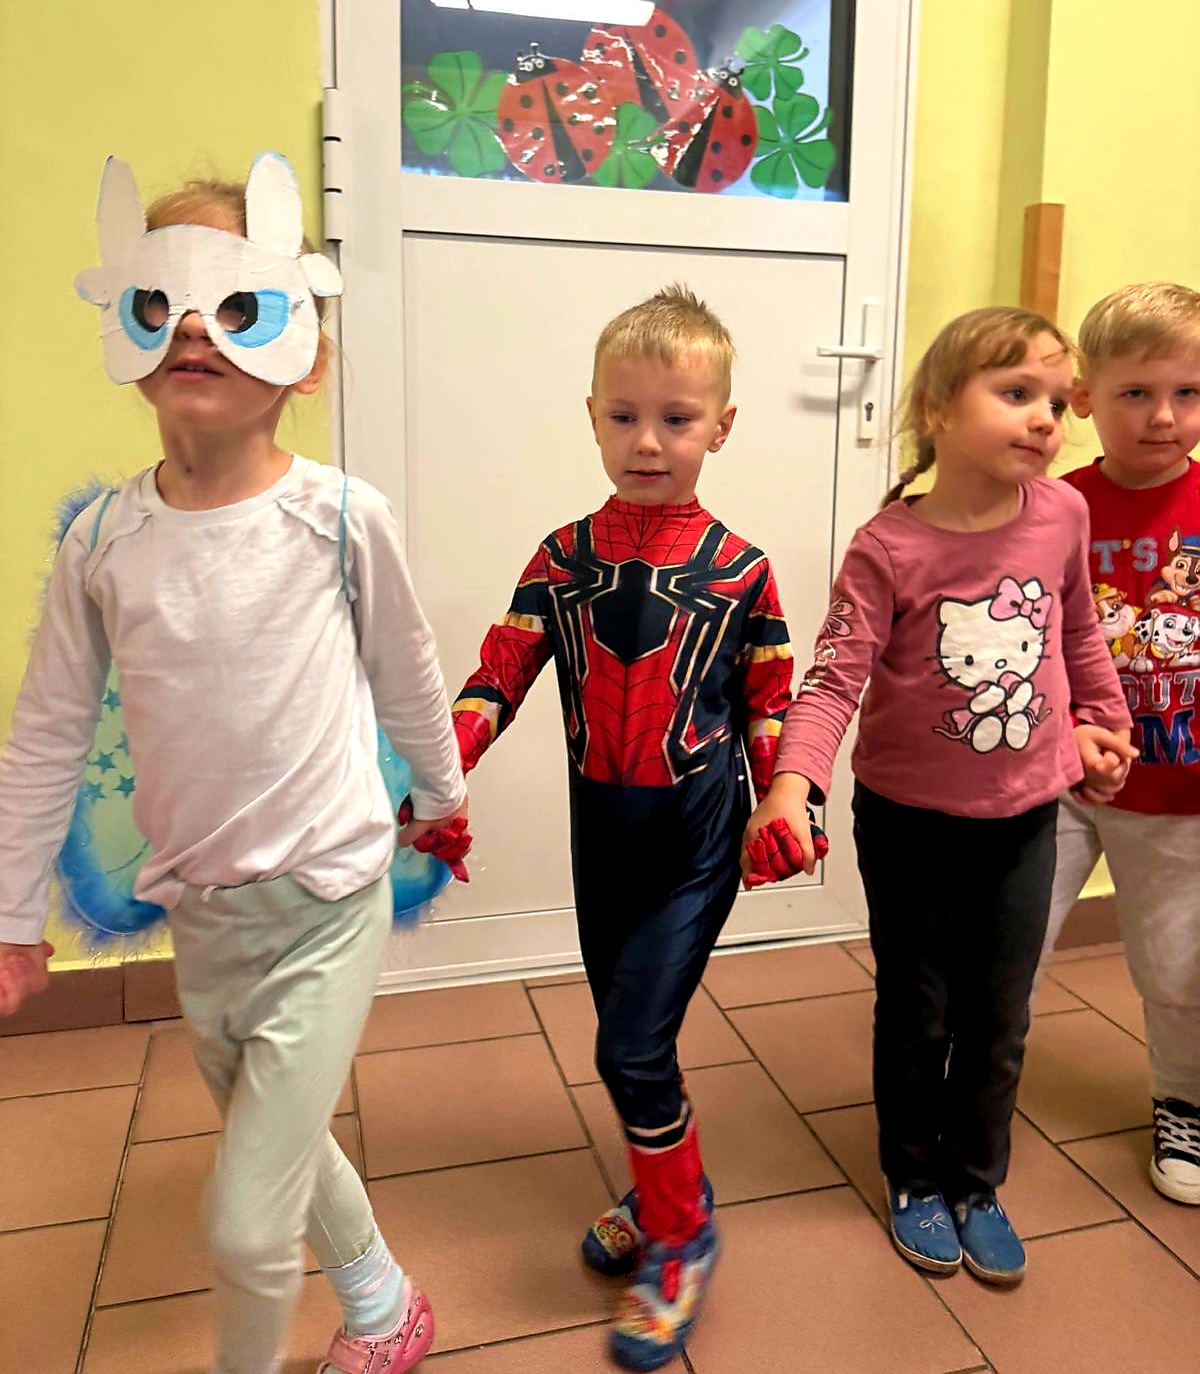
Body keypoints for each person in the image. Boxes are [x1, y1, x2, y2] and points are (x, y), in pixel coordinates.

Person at [0, 153, 466, 1374]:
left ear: (302, 353)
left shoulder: (338, 515)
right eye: (161, 302)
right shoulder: (104, 541)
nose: (195, 327)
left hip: (326, 900)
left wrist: (441, 795)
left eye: (236, 303)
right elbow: (46, 729)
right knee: (283, 1137)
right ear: (124, 323)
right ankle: (384, 1305)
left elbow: (408, 668)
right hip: (203, 917)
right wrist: (12, 913)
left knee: (247, 1220)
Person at [744, 307, 1133, 1285]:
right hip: (909, 821)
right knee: (920, 1010)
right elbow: (832, 680)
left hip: (1028, 814)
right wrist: (791, 786)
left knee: (1001, 1013)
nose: (1046, 419)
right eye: (1017, 393)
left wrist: (1103, 722)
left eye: (1058, 402)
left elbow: (1076, 632)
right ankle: (914, 1175)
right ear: (938, 408)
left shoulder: (1062, 515)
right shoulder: (889, 547)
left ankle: (976, 1180)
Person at [449, 284, 794, 1369]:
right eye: (625, 416)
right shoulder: (561, 558)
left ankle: (682, 1237)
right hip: (600, 837)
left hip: (697, 842)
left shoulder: (743, 570)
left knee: (629, 1044)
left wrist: (787, 803)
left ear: (721, 427)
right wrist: (432, 770)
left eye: (676, 419)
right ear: (592, 416)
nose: (649, 441)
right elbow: (497, 676)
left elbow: (770, 703)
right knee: (631, 1038)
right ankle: (662, 1188)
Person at [1038, 282, 1200, 1205]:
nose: (1163, 416)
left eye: (1187, 393)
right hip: (1055, 782)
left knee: (1178, 971)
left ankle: (1186, 1101)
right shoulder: (1049, 506)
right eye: (1136, 392)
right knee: (1004, 951)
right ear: (1085, 397)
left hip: (1181, 795)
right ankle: (968, 1093)